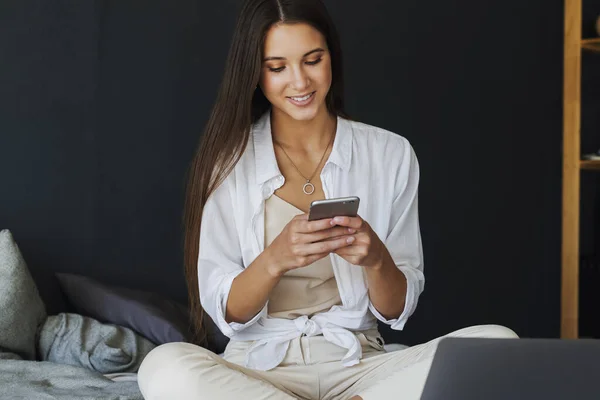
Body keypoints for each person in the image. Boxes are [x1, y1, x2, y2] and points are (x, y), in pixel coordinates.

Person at [137, 0, 518, 399]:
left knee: (497, 343)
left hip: (360, 365)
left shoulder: (390, 153)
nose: (300, 82)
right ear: (254, 73)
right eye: (277, 67)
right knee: (163, 367)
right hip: (259, 370)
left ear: (331, 57)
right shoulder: (227, 162)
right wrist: (276, 257)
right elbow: (228, 312)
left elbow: (395, 309)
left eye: (312, 60)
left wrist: (375, 259)